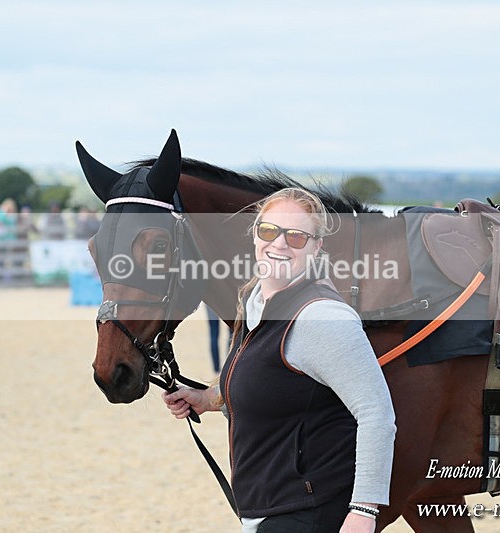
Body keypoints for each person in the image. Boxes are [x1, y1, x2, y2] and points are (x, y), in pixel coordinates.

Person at [163, 188, 396, 533]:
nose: (279, 244)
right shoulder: (256, 300)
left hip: (307, 512)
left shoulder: (322, 317)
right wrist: (208, 400)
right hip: (268, 508)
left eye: (297, 236)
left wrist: (364, 510)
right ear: (255, 235)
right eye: (269, 231)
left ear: (317, 247)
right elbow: (273, 385)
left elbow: (378, 415)